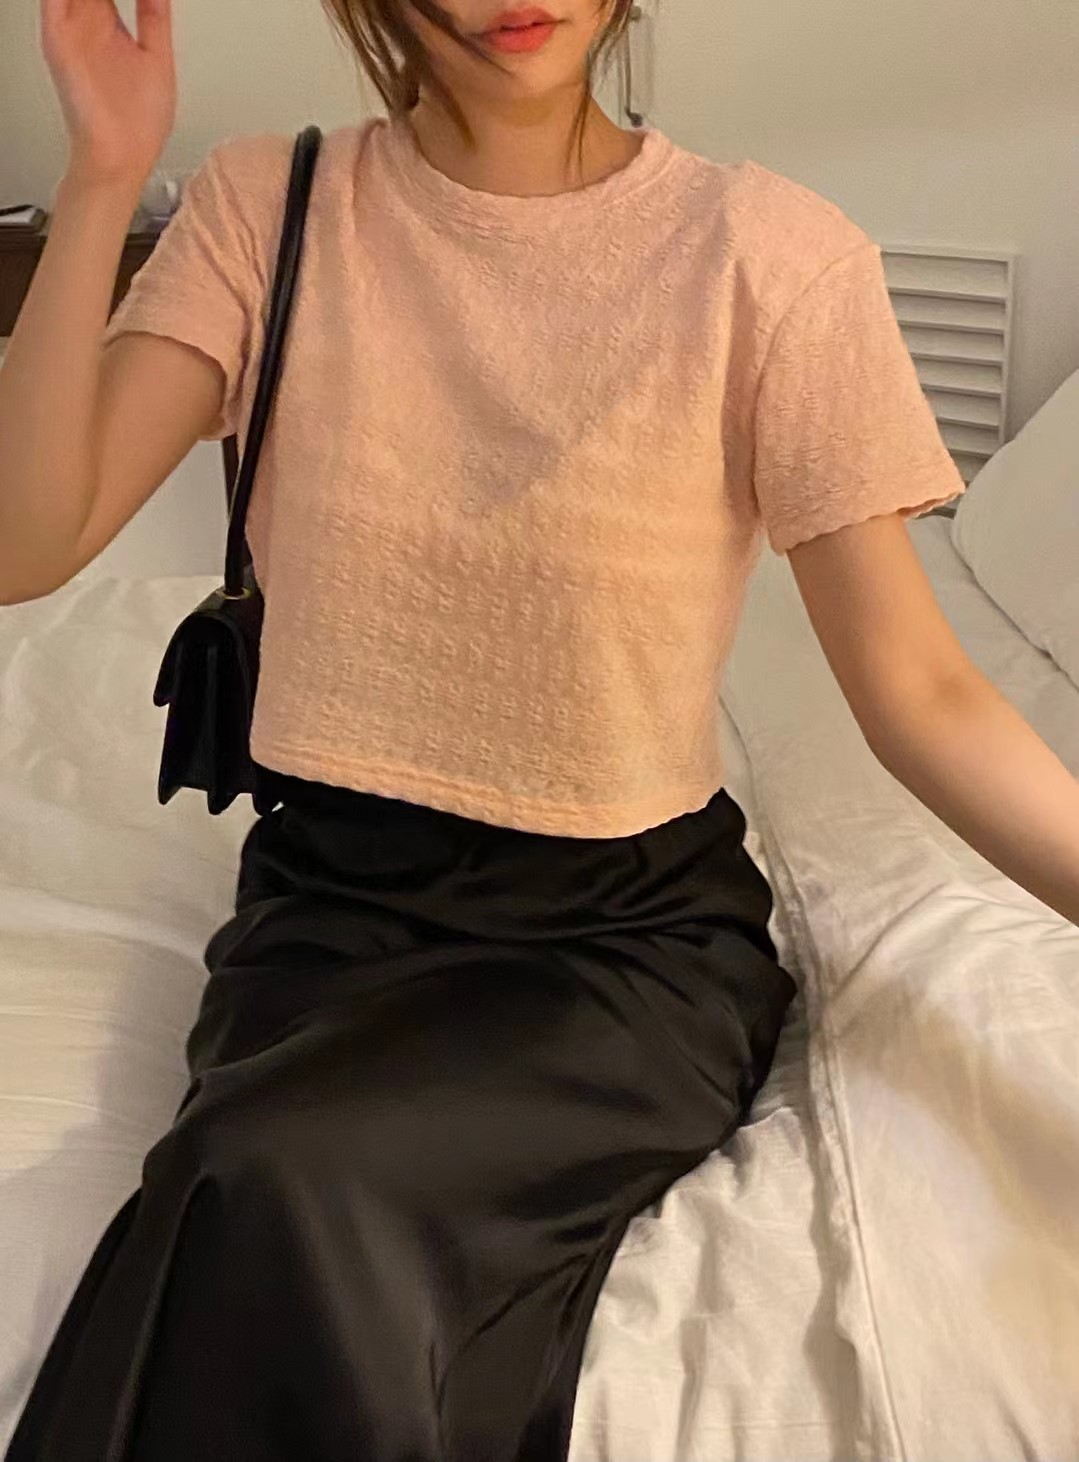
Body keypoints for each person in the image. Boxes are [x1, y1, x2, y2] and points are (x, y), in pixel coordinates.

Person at [4, 0, 1079, 1457]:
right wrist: (101, 174)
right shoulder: (273, 209)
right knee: (250, 1170)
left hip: (620, 945)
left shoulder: (769, 256)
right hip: (332, 915)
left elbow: (926, 697)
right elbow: (29, 541)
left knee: (287, 1184)